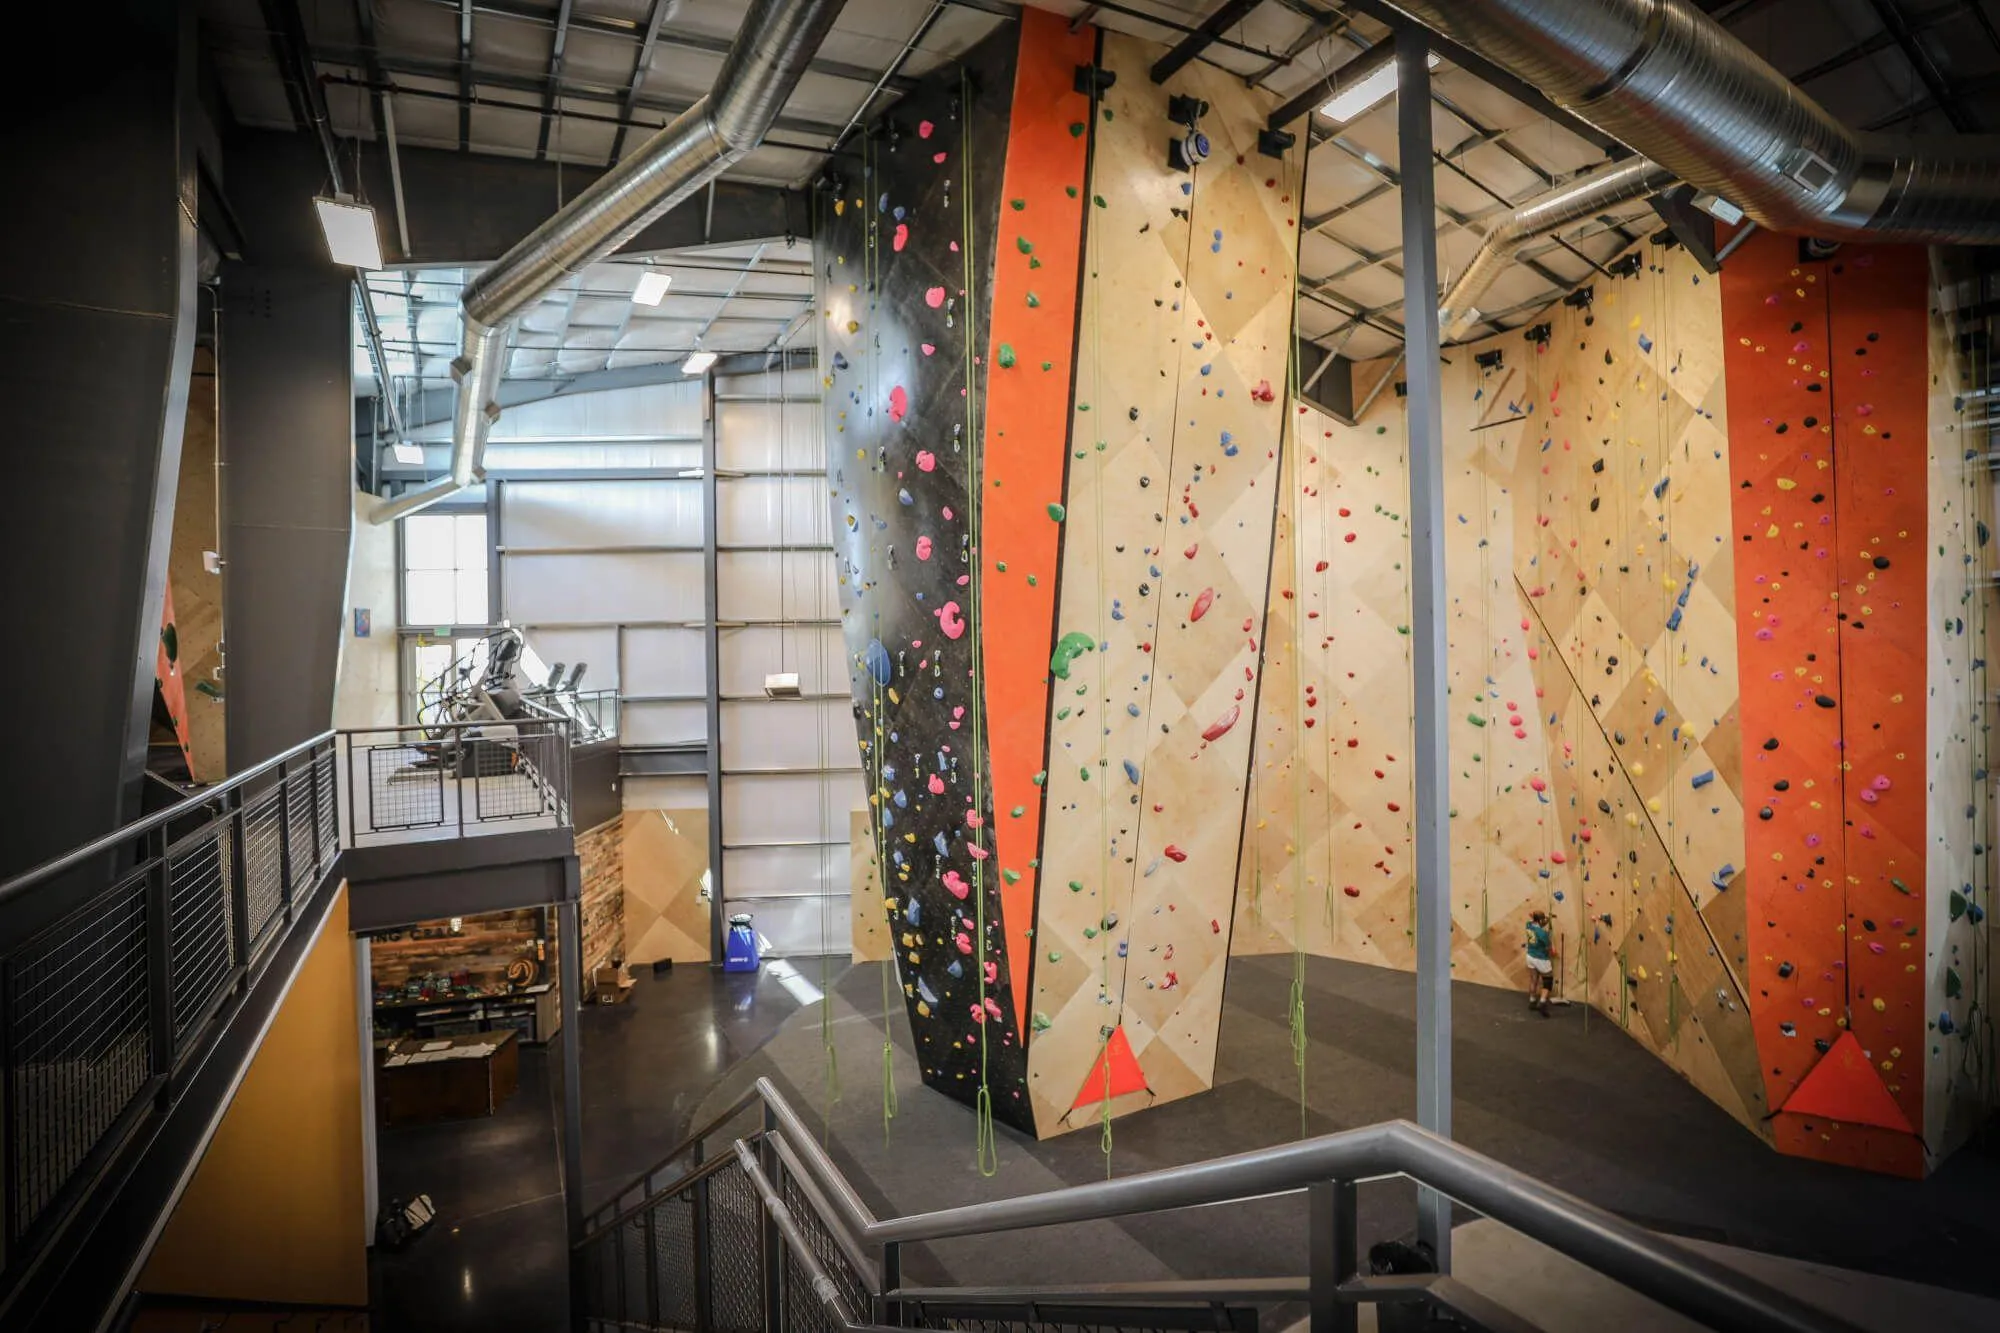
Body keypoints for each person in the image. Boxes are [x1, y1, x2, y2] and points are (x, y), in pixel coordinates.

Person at [1524, 910, 1554, 1016]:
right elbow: (1548, 948)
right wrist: (1552, 951)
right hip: (1541, 959)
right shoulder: (1543, 934)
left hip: (1530, 956)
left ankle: (1532, 1001)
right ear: (1540, 920)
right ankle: (1542, 1002)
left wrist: (1547, 919)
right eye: (1543, 919)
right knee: (1548, 981)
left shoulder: (1528, 925)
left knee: (1534, 979)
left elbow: (1538, 923)